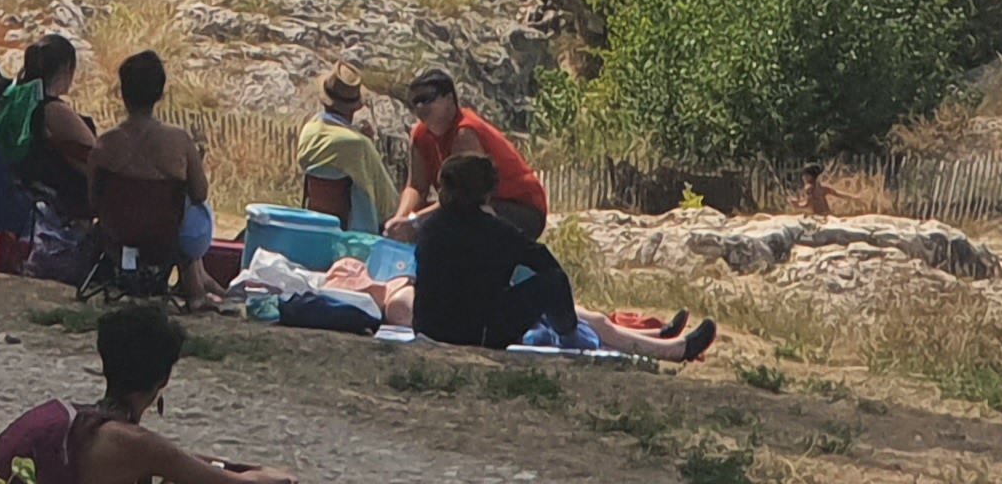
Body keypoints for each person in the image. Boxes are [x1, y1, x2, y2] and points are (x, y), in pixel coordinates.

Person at [409, 154, 706, 360]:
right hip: (478, 333)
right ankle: (573, 339)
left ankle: (656, 339)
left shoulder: (431, 227)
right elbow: (549, 267)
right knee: (551, 285)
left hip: (430, 327)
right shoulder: (495, 231)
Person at [0, 303, 298, 484]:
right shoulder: (132, 443)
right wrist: (271, 476)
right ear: (163, 379)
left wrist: (236, 467)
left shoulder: (78, 423)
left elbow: (184, 461)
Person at [89, 50, 220, 303]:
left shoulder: (104, 144)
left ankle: (196, 281)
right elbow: (200, 193)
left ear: (122, 92)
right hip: (165, 240)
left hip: (116, 235)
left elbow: (94, 201)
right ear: (160, 94)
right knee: (198, 208)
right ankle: (195, 282)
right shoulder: (180, 141)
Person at [390, 69, 545, 239]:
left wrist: (415, 222)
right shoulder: (420, 136)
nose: (420, 107)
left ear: (449, 99)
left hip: (520, 208)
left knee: (456, 221)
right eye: (415, 101)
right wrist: (400, 218)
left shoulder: (465, 132)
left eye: (427, 99)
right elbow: (417, 187)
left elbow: (464, 195)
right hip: (472, 203)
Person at [0, 32, 98, 224]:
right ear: (66, 69)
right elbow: (97, 160)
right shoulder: (54, 111)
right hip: (62, 211)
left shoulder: (12, 100)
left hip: (24, 201)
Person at [294, 73, 400, 231]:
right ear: (353, 107)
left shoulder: (309, 130)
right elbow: (386, 199)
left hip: (316, 220)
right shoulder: (358, 145)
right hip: (350, 225)